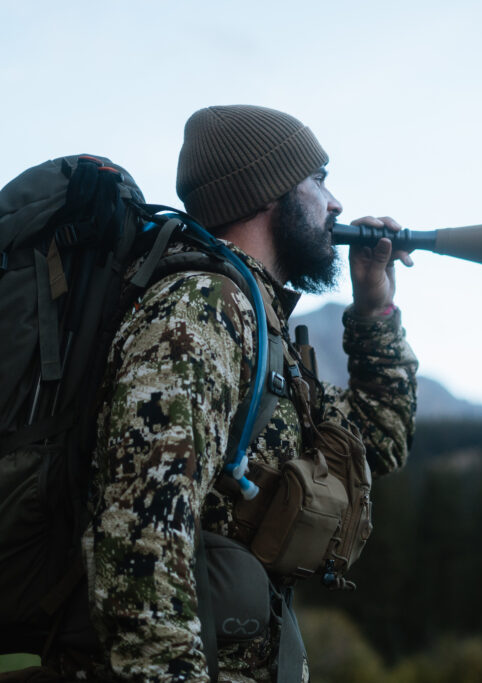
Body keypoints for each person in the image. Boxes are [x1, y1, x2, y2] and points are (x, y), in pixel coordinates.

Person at [75, 105, 418, 682]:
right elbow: (140, 538)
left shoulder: (258, 326)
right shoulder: (202, 310)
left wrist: (374, 305)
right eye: (319, 180)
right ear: (268, 192)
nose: (335, 204)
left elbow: (377, 441)